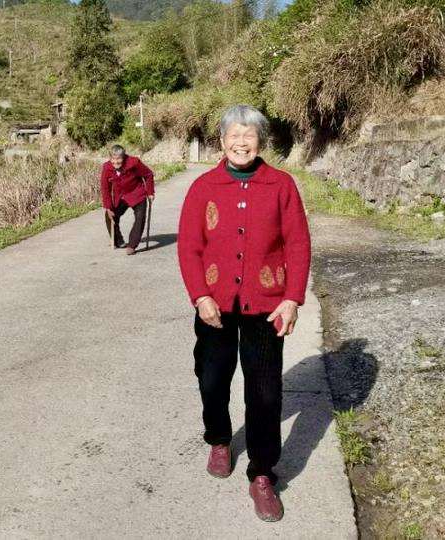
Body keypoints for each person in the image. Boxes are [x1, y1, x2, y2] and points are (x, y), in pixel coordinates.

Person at [177, 105, 311, 522]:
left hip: (267, 305)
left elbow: (298, 244)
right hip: (214, 304)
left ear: (261, 141)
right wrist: (200, 296)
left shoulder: (281, 185)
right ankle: (219, 438)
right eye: (234, 135)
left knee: (265, 393)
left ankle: (262, 475)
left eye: (249, 135)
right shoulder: (203, 187)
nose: (241, 142)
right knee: (212, 378)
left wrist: (292, 298)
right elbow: (189, 247)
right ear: (221, 141)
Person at [100, 145, 155, 255]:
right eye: (113, 159)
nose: (116, 162)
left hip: (137, 194)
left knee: (140, 218)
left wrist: (150, 192)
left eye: (119, 159)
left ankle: (132, 245)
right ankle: (118, 241)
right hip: (120, 196)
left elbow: (148, 174)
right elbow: (105, 188)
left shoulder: (134, 162)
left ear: (124, 157)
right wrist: (108, 206)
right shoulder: (106, 167)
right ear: (110, 158)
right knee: (110, 216)